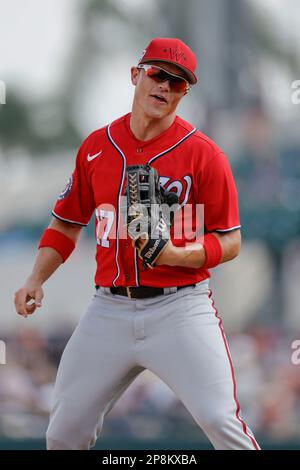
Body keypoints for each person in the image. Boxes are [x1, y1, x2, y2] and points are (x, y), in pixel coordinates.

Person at [14, 37, 260, 450]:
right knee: (62, 433)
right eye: (157, 74)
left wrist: (181, 255)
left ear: (185, 93)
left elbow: (231, 240)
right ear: (136, 75)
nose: (164, 86)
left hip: (180, 307)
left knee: (222, 421)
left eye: (177, 83)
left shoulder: (204, 155)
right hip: (108, 308)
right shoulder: (96, 147)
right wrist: (36, 279)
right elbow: (66, 224)